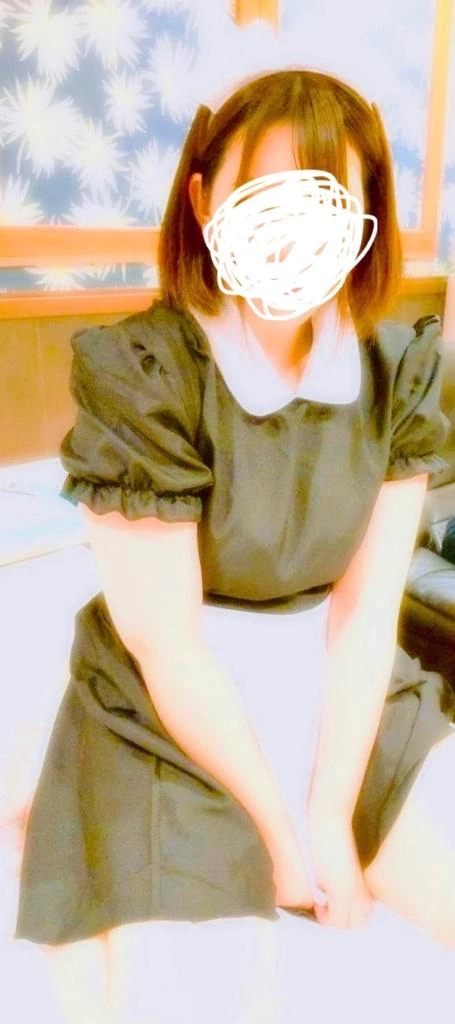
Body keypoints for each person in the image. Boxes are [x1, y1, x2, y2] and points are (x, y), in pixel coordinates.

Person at [14, 68, 455, 1023]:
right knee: (201, 982)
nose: (291, 229)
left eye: (322, 199)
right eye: (262, 193)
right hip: (167, 703)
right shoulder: (142, 373)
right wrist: (283, 839)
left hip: (340, 684)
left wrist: (328, 813)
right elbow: (168, 644)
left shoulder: (399, 373)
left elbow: (363, 621)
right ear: (204, 198)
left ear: (366, 216)